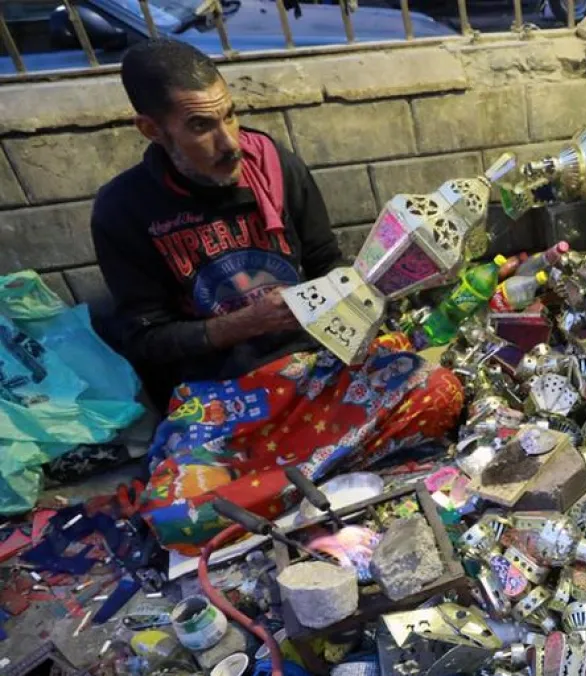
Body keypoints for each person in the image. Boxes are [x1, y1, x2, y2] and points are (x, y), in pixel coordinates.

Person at [92, 38, 462, 551]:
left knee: (438, 392)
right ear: (152, 130)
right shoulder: (123, 210)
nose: (230, 143)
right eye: (201, 126)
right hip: (225, 400)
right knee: (175, 518)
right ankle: (319, 477)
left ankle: (288, 486)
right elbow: (144, 339)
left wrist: (363, 294)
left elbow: (326, 262)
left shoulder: (275, 165)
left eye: (230, 116)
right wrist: (242, 325)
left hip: (313, 372)